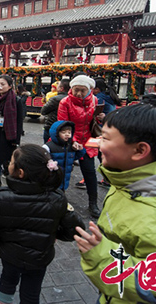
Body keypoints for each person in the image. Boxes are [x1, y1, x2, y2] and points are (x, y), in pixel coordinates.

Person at [75, 104, 156, 303]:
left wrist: (103, 258)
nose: (98, 143)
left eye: (106, 138)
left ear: (139, 150)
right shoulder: (134, 178)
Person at [0, 144, 85, 304]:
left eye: (11, 162)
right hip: (40, 258)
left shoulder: (1, 196)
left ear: (20, 173)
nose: (8, 164)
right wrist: (54, 234)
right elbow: (76, 230)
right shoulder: (57, 198)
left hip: (10, 255)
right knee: (32, 293)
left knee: (7, 281)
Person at [57, 75, 103, 218]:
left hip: (87, 142)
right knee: (62, 173)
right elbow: (63, 124)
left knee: (90, 173)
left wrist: (101, 118)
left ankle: (93, 203)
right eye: (76, 90)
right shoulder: (65, 102)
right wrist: (73, 140)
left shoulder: (94, 101)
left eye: (83, 90)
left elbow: (93, 123)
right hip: (69, 141)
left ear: (90, 90)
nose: (79, 94)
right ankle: (59, 202)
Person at [0, 75, 24, 188]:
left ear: (10, 86)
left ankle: (11, 179)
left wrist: (16, 139)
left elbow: (19, 121)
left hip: (8, 135)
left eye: (3, 84)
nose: (0, 87)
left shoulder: (16, 100)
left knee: (8, 159)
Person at [42, 120, 86, 191]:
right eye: (63, 132)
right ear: (56, 133)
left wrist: (80, 150)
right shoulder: (48, 147)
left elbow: (73, 158)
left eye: (69, 132)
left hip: (64, 180)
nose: (67, 134)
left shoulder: (70, 146)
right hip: (52, 180)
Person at [40, 79, 70, 143]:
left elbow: (43, 111)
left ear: (61, 88)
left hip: (52, 126)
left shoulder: (55, 99)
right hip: (67, 128)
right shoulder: (72, 98)